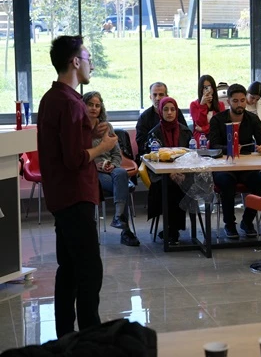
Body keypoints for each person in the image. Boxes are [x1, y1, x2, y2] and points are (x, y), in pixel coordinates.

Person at [38, 35, 116, 338]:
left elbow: (64, 147)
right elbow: (73, 159)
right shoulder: (71, 103)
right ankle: (89, 337)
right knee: (88, 270)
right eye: (87, 59)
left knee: (68, 269)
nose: (91, 65)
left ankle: (65, 336)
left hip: (61, 195)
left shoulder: (52, 98)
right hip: (75, 196)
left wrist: (89, 134)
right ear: (74, 62)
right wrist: (103, 146)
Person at [208, 84, 261, 239]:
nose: (240, 104)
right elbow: (213, 146)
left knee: (259, 182)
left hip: (245, 165)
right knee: (227, 182)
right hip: (224, 166)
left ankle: (247, 221)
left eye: (242, 100)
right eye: (235, 101)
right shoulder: (217, 120)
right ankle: (229, 224)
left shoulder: (252, 118)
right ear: (229, 101)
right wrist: (230, 148)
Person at [82, 91, 140, 247]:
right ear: (83, 106)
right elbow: (79, 156)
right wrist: (95, 165)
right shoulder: (79, 129)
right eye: (90, 105)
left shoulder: (106, 127)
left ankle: (118, 217)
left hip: (111, 170)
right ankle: (125, 230)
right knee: (123, 184)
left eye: (97, 105)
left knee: (120, 172)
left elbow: (116, 153)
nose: (94, 108)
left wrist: (113, 164)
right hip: (91, 171)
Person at [146, 97, 193, 244]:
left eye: (173, 109)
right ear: (160, 111)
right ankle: (173, 229)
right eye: (166, 109)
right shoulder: (154, 133)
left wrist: (182, 172)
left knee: (184, 184)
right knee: (171, 186)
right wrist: (171, 173)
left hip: (184, 173)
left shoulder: (185, 131)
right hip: (162, 175)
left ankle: (172, 229)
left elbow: (192, 155)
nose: (170, 112)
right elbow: (153, 158)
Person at [135, 81, 188, 159]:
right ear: (150, 97)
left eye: (161, 95)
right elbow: (141, 144)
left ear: (167, 96)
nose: (158, 98)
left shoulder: (176, 112)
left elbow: (185, 136)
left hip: (179, 157)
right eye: (154, 95)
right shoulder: (144, 117)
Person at [190, 74, 225, 144]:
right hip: (200, 138)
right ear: (201, 89)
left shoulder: (220, 105)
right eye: (205, 87)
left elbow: (219, 125)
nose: (208, 90)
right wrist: (202, 105)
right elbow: (199, 123)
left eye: (209, 87)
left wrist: (203, 129)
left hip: (216, 136)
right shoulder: (194, 105)